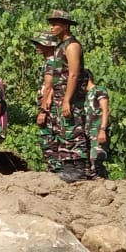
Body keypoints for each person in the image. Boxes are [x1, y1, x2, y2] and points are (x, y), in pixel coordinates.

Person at [46, 10, 89, 182]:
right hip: (59, 96)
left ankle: (78, 169)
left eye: (56, 23)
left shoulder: (72, 46)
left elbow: (73, 74)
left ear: (65, 25)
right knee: (63, 131)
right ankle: (68, 167)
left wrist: (67, 100)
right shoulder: (59, 47)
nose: (52, 27)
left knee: (74, 130)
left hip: (69, 97)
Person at [32, 32, 62, 173]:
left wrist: (43, 111)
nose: (37, 47)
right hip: (49, 107)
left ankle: (55, 169)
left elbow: (49, 86)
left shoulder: (51, 62)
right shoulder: (50, 62)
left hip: (49, 108)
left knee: (48, 139)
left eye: (40, 44)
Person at [84, 69, 110, 178]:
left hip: (97, 129)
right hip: (86, 130)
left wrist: (102, 129)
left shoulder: (99, 90)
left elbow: (105, 110)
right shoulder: (84, 94)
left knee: (96, 157)